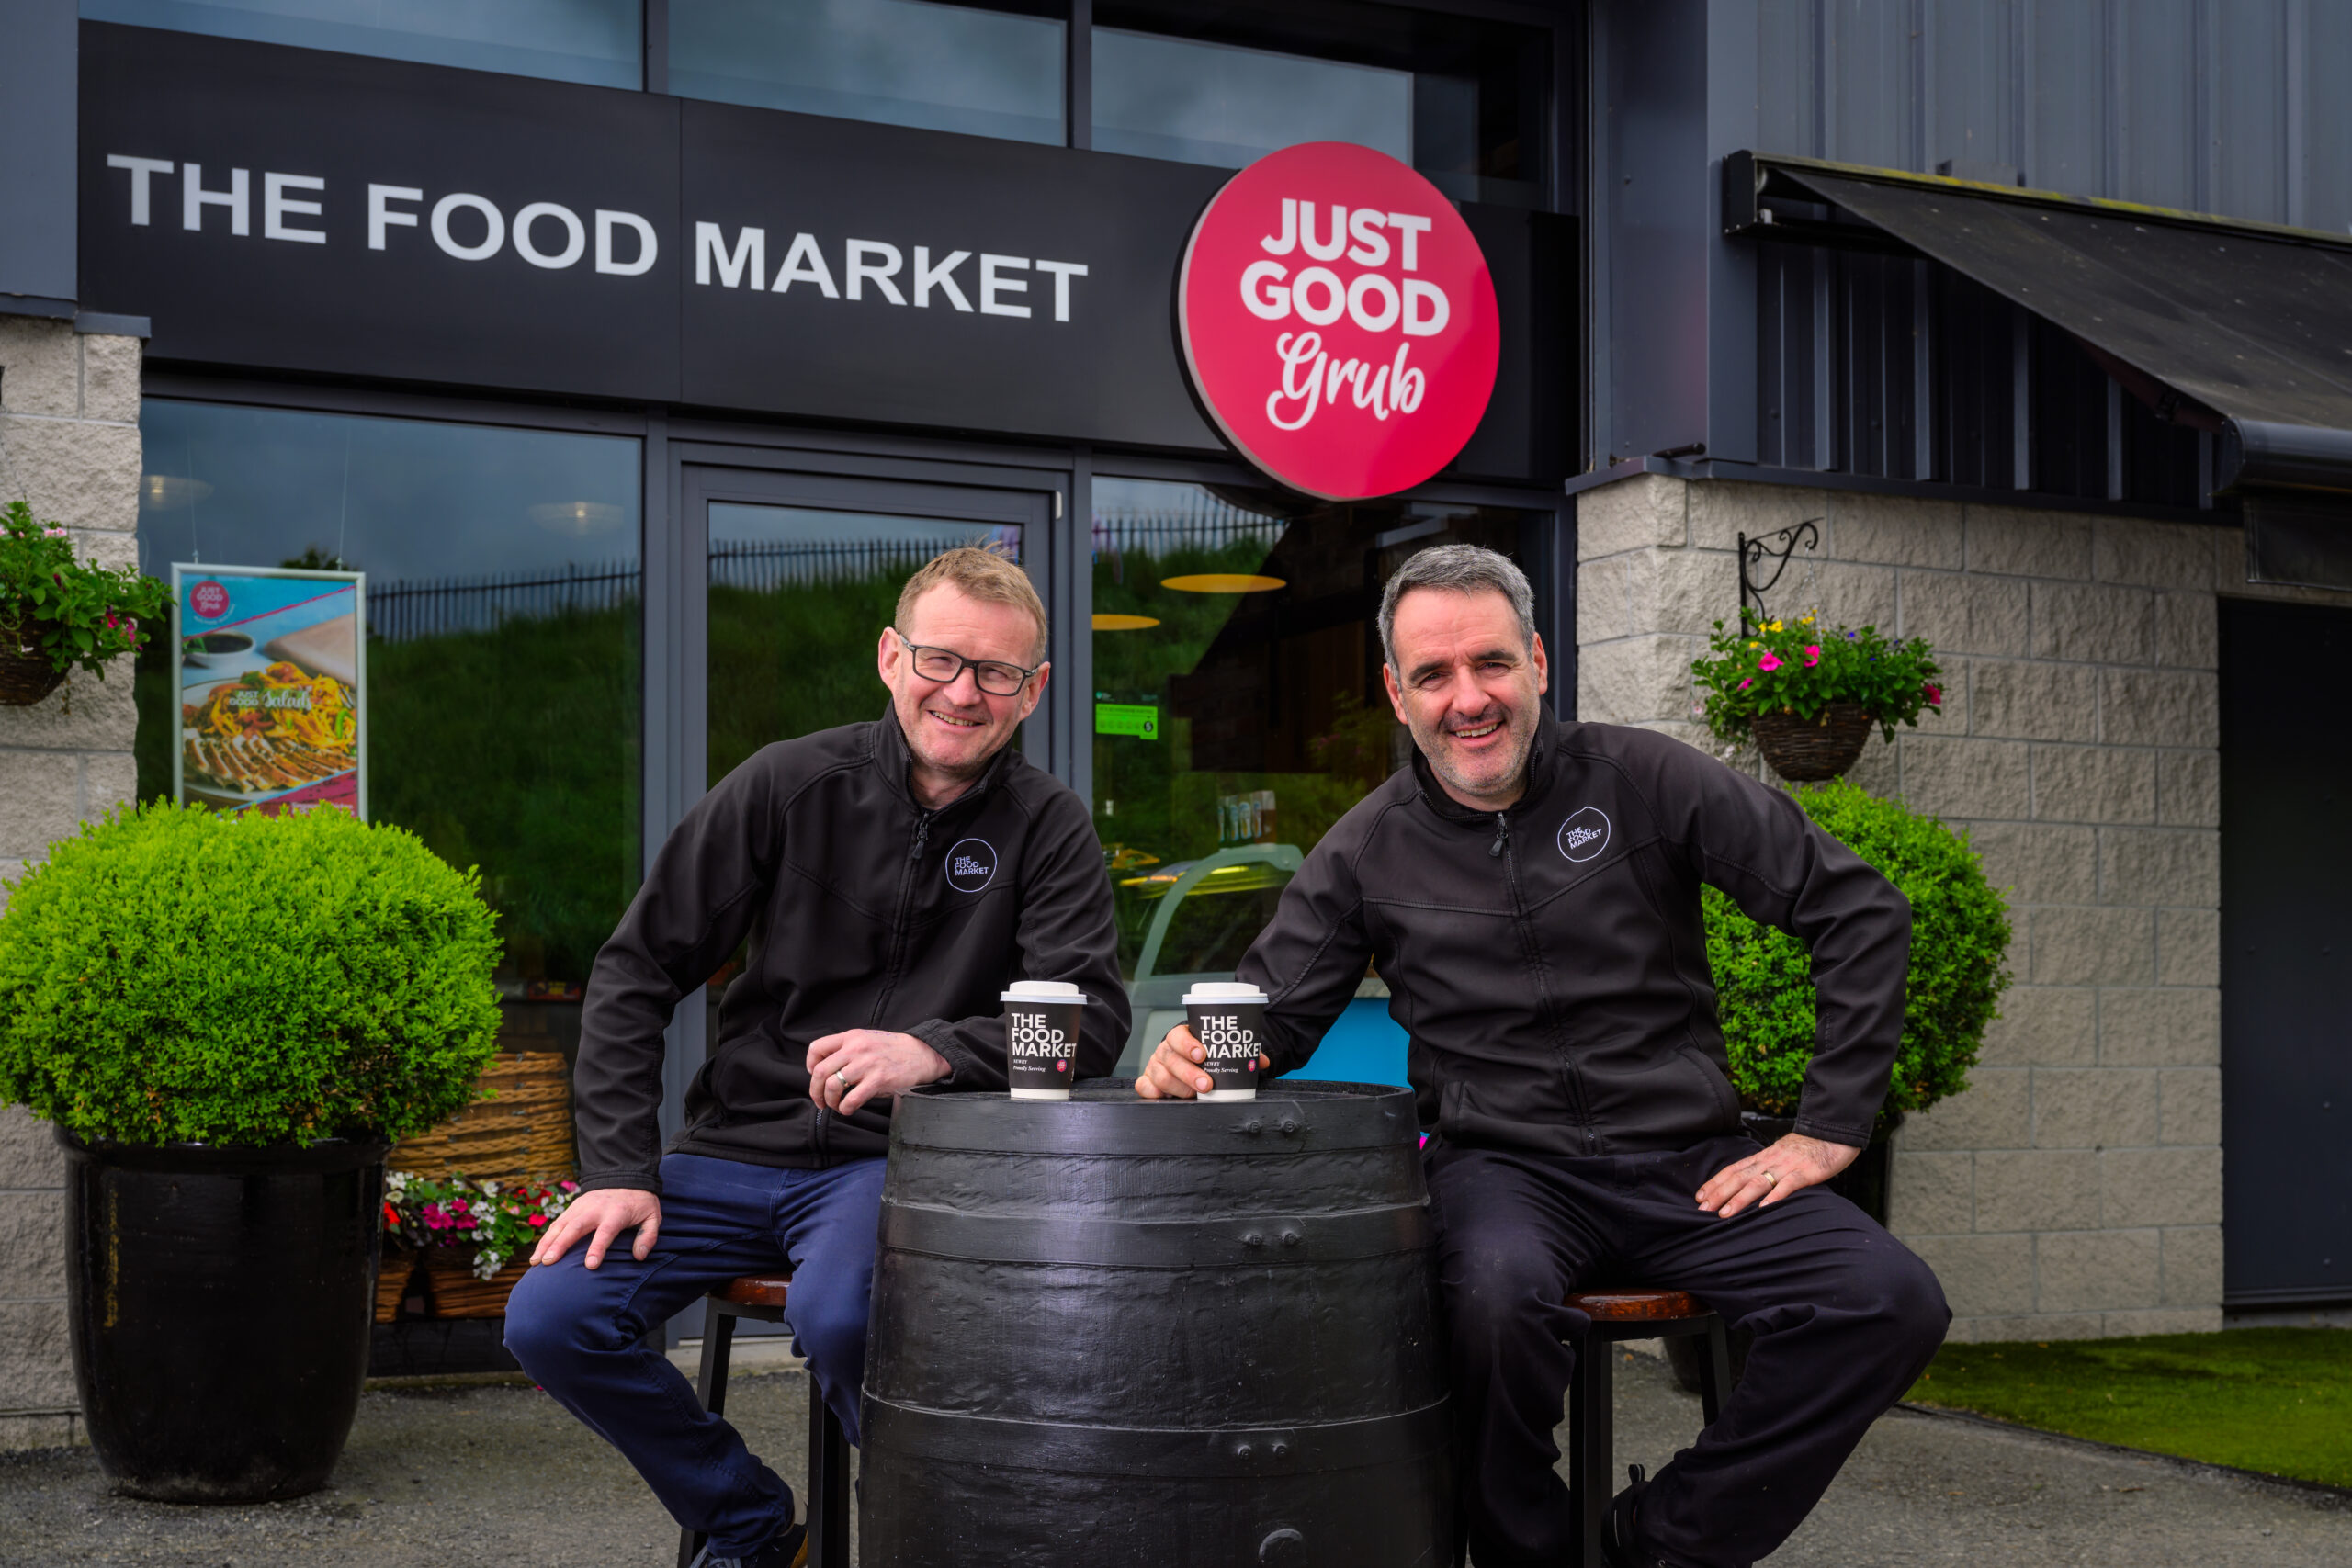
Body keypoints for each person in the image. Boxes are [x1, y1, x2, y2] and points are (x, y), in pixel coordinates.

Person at [1136, 544, 1948, 1568]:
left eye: (1491, 662)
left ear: (1537, 662)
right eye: (1433, 674)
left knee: (1887, 1300)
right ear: (1396, 692)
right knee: (1487, 1302)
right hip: (1502, 1173)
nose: (1468, 698)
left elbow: (1857, 909)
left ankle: (1658, 1542)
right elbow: (1269, 1017)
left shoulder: (1645, 778)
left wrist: (1828, 1127)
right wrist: (1196, 1053)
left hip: (1690, 1166)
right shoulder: (1366, 848)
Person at [507, 547, 1129, 1568]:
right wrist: (619, 1169)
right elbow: (635, 969)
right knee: (553, 1316)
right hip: (732, 1151)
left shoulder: (1047, 826)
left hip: (894, 1163)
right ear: (890, 657)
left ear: (1034, 689)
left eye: (997, 672)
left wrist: (932, 1052)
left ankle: (932, 1542)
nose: (963, 692)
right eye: (940, 659)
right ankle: (752, 1523)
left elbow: (1090, 1023)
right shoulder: (788, 782)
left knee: (843, 1318)